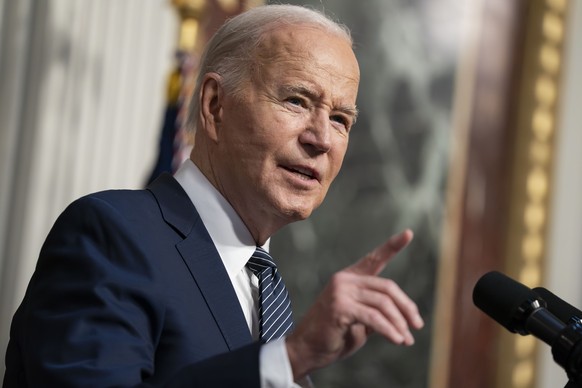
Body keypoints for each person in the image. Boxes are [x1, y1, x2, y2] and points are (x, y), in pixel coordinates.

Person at [3, 4, 424, 387]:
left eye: (339, 119)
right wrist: (289, 358)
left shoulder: (269, 295)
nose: (321, 139)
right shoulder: (112, 236)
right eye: (297, 101)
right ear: (214, 104)